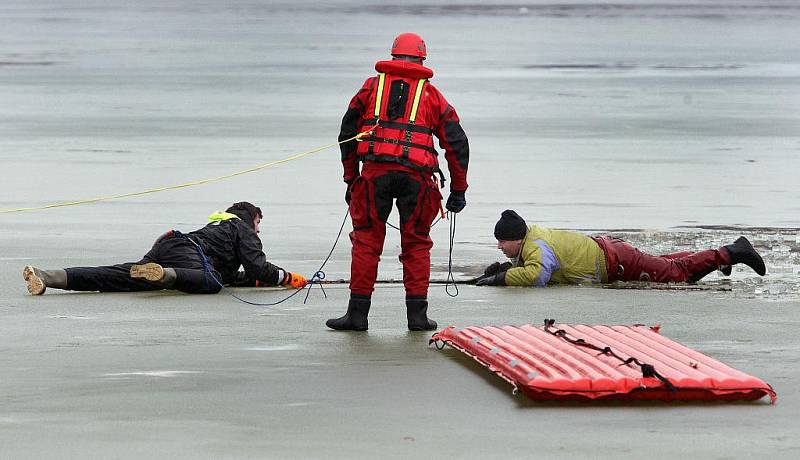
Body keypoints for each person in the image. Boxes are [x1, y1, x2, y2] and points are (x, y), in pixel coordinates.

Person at [327, 32, 470, 331]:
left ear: (393, 56)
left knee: (366, 241)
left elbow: (347, 134)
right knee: (417, 244)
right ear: (422, 58)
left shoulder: (370, 88)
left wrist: (351, 178)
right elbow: (456, 143)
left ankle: (357, 316)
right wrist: (458, 189)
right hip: (417, 180)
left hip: (374, 175)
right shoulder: (432, 95)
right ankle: (417, 317)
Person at [23, 201, 307, 295]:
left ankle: (47, 276)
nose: (259, 229)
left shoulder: (219, 228)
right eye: (258, 222)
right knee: (212, 282)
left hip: (170, 242)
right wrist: (286, 278)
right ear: (250, 217)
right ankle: (163, 275)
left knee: (121, 277)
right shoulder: (241, 227)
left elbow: (243, 273)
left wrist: (254, 281)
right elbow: (257, 265)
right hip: (188, 254)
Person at [476, 210, 766, 287]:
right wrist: (505, 269)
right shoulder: (532, 241)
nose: (499, 246)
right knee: (663, 263)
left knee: (676, 275)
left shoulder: (536, 246)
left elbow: (538, 276)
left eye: (502, 241)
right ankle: (716, 259)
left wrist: (503, 278)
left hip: (616, 262)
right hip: (612, 254)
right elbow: (536, 268)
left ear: (517, 239)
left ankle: (732, 252)